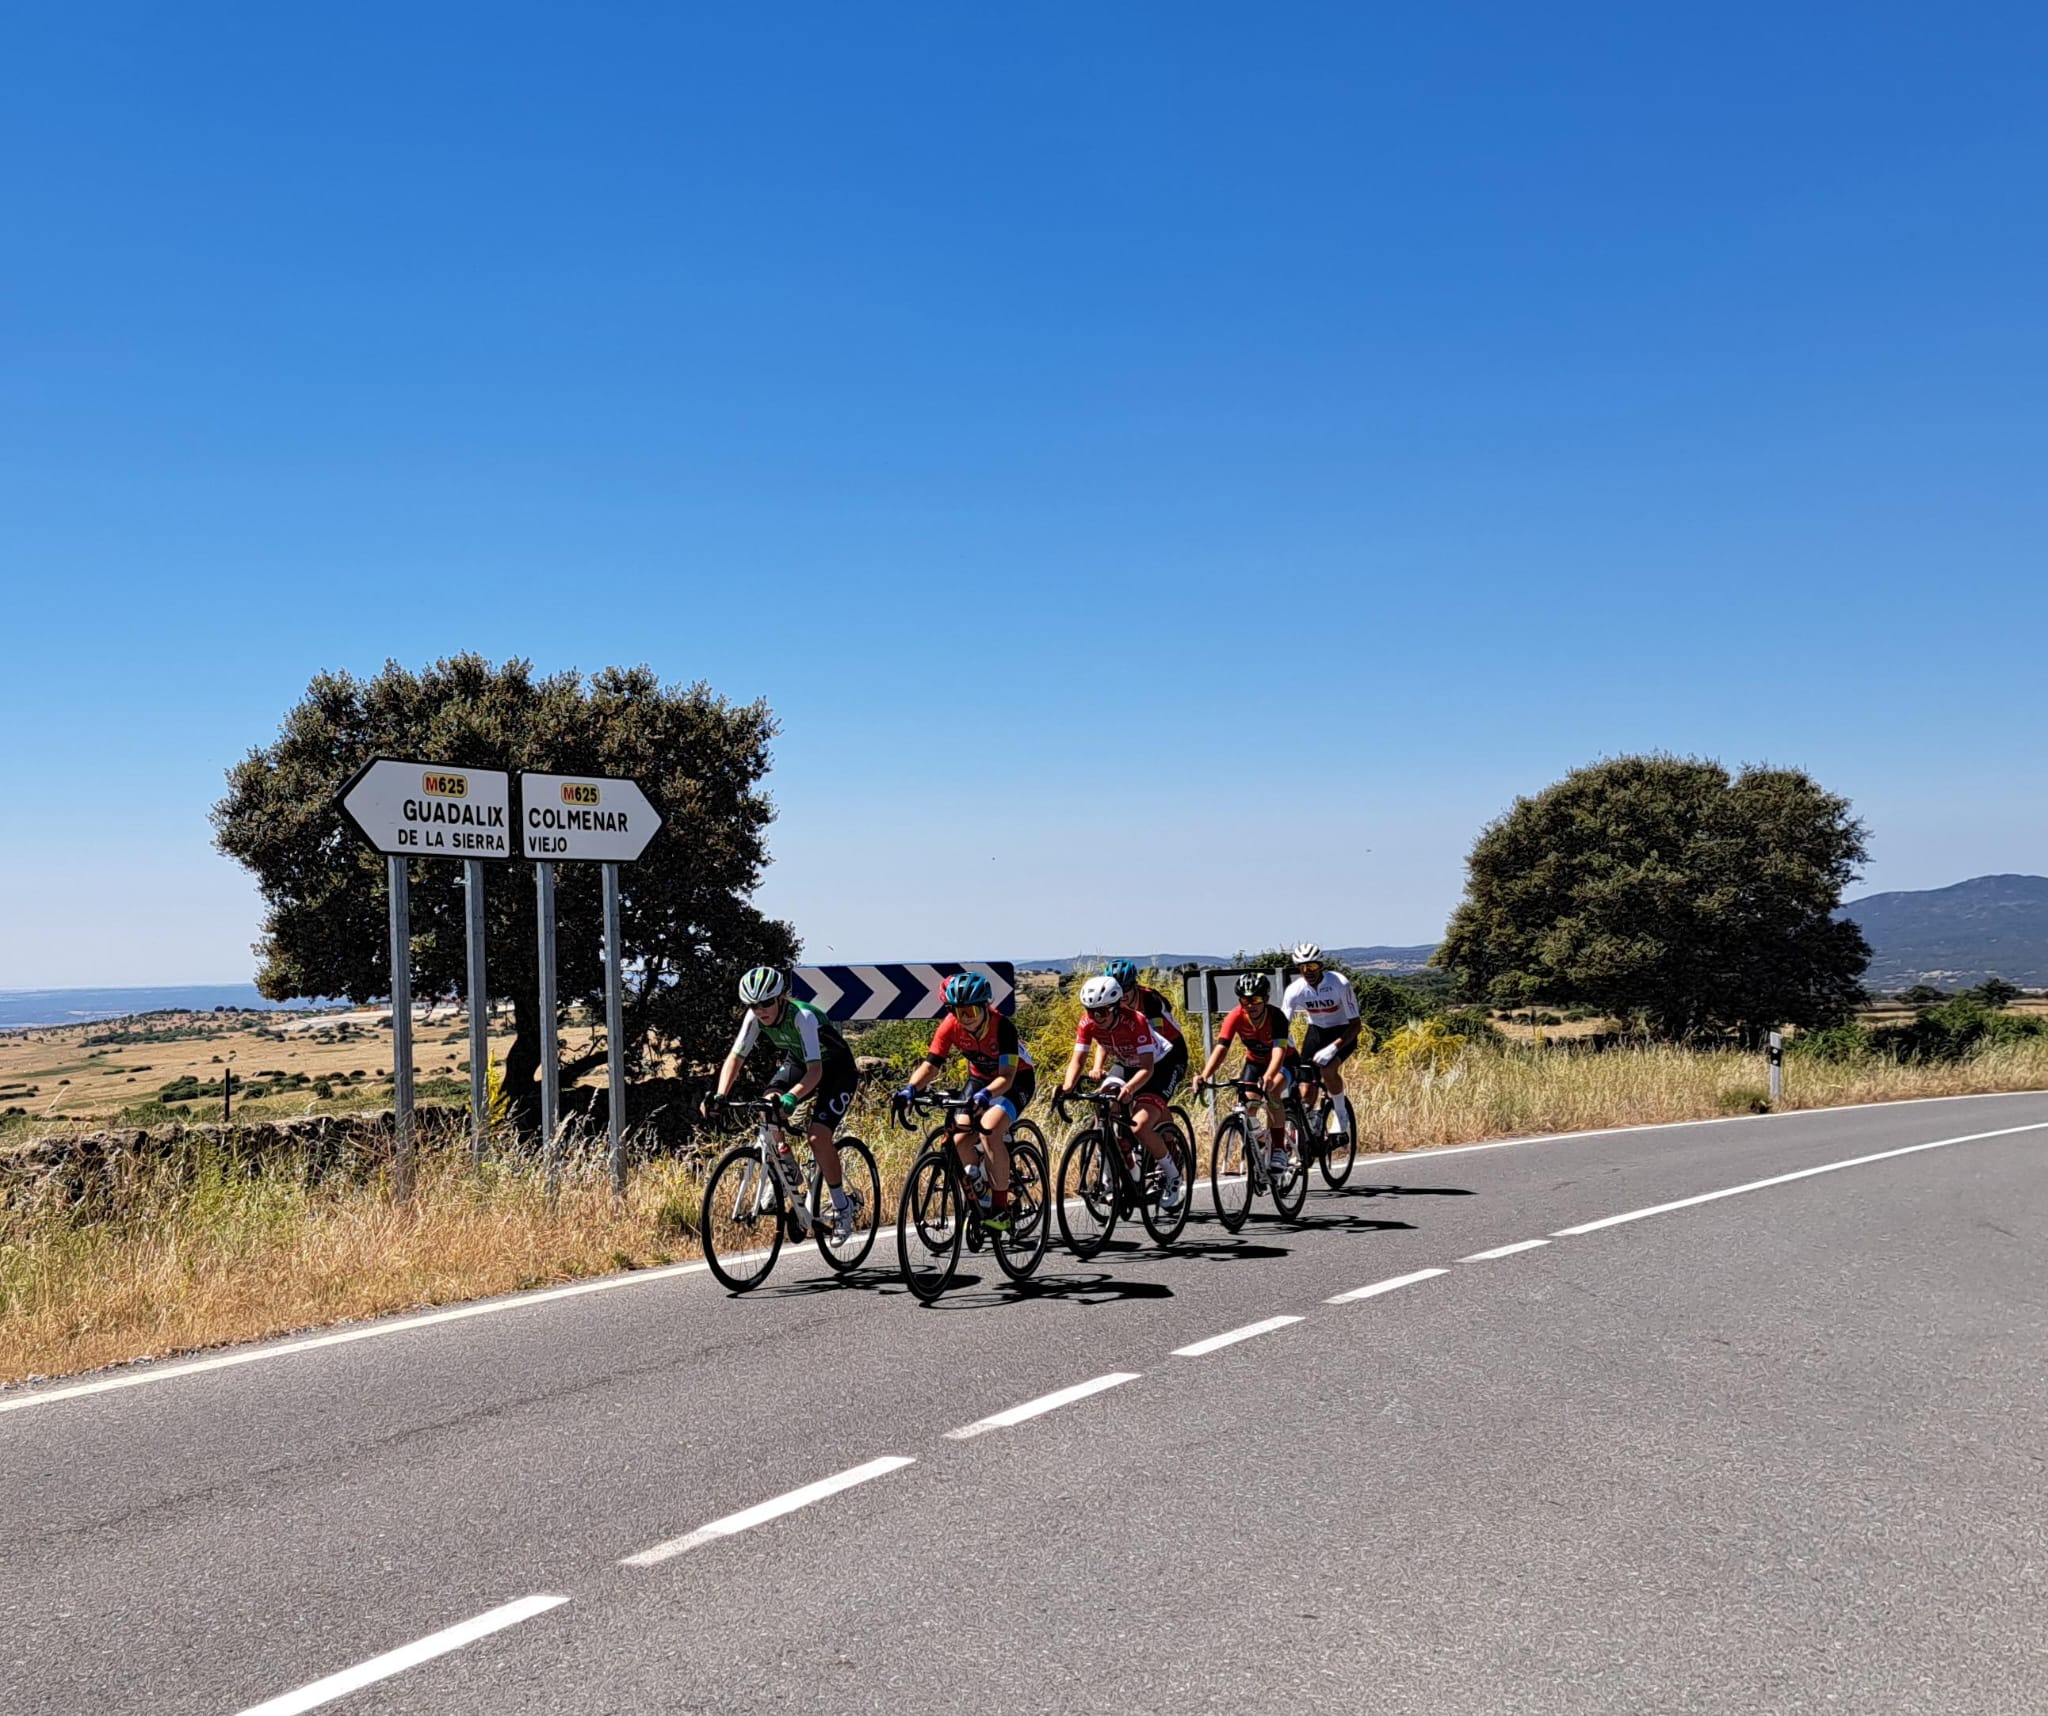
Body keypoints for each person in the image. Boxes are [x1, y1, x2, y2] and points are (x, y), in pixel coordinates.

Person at [701, 965, 861, 1239]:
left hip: (835, 1069)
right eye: (752, 1005)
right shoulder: (753, 1019)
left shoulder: (803, 1017)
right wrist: (720, 1095)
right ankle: (787, 1169)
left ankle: (842, 1205)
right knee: (767, 1105)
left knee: (817, 1136)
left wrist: (792, 1096)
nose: (760, 1010)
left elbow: (816, 1072)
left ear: (780, 998)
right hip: (800, 1062)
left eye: (765, 1003)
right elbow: (736, 1058)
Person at [897, 971, 1034, 1231]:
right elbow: (931, 1065)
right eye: (959, 1012)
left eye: (970, 1010)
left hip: (1015, 1081)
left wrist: (986, 1096)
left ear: (984, 1006)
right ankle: (980, 1192)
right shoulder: (950, 1025)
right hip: (980, 1079)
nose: (966, 1018)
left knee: (990, 1130)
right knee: (959, 1137)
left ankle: (1001, 1209)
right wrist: (910, 1089)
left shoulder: (1002, 1026)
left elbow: (1006, 1077)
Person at [1055, 973, 1185, 1212]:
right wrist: (1066, 1088)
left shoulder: (1135, 1021)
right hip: (1127, 1063)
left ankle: (1173, 1175)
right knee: (1103, 1109)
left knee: (1140, 1126)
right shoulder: (1087, 1022)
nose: (1095, 1017)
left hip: (1159, 1066)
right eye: (1090, 1011)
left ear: (1116, 1008)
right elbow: (1078, 1059)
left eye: (1102, 1012)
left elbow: (1146, 1068)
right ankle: (1119, 1172)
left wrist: (1129, 1089)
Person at [1196, 969, 1299, 1173]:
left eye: (1256, 999)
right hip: (1255, 1062)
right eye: (1245, 1000)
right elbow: (1221, 1047)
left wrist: (1269, 1076)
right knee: (1247, 1103)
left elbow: (1279, 1051)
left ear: (1266, 999)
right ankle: (1261, 1139)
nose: (1250, 1005)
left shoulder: (1276, 1017)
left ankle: (1278, 1148)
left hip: (1285, 1061)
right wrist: (1204, 1075)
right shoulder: (1235, 1016)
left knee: (1272, 1092)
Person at [1279, 942, 1360, 1146]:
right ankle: (1308, 1130)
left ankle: (1341, 1116)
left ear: (1321, 965)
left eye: (1312, 966)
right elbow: (1281, 1025)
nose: (1308, 972)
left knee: (1328, 1069)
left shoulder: (1339, 983)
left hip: (1343, 1032)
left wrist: (1334, 1048)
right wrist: (1284, 1047)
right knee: (1306, 1087)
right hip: (1316, 1032)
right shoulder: (1295, 990)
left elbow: (1356, 1025)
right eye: (1303, 968)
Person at [1102, 958, 1189, 1099]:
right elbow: (1107, 1035)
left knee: (1151, 1099)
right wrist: (1098, 1067)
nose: (1122, 995)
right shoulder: (1112, 1003)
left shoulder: (1149, 1000)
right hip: (1136, 1053)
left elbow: (1157, 1037)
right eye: (1117, 990)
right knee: (1108, 1098)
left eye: (1126, 988)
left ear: (1134, 985)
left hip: (1170, 1053)